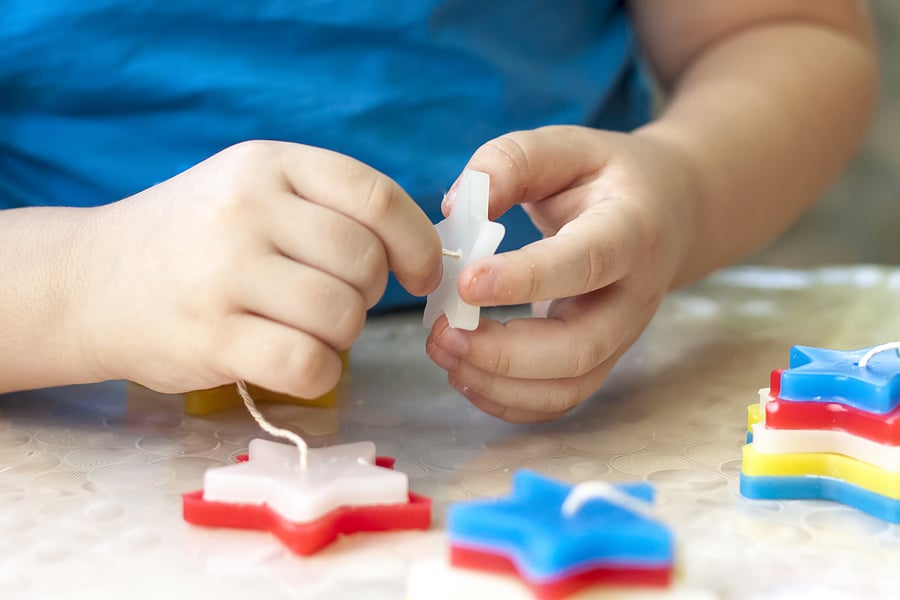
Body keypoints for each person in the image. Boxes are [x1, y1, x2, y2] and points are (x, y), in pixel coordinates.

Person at [0, 2, 878, 423]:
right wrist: (78, 283)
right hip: (65, 422)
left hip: (577, 399)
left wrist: (685, 187)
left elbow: (785, 31)